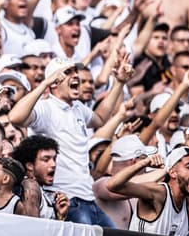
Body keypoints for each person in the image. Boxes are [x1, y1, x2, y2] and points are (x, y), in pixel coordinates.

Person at [9, 56, 133, 227]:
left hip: (89, 198)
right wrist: (44, 84)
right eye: (68, 72)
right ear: (54, 82)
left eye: (76, 71)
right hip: (66, 198)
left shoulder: (77, 108)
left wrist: (119, 83)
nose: (76, 75)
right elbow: (15, 117)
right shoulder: (46, 108)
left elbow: (100, 118)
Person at [107, 147, 189, 236]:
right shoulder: (158, 193)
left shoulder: (187, 201)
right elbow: (112, 185)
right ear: (172, 172)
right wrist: (143, 164)